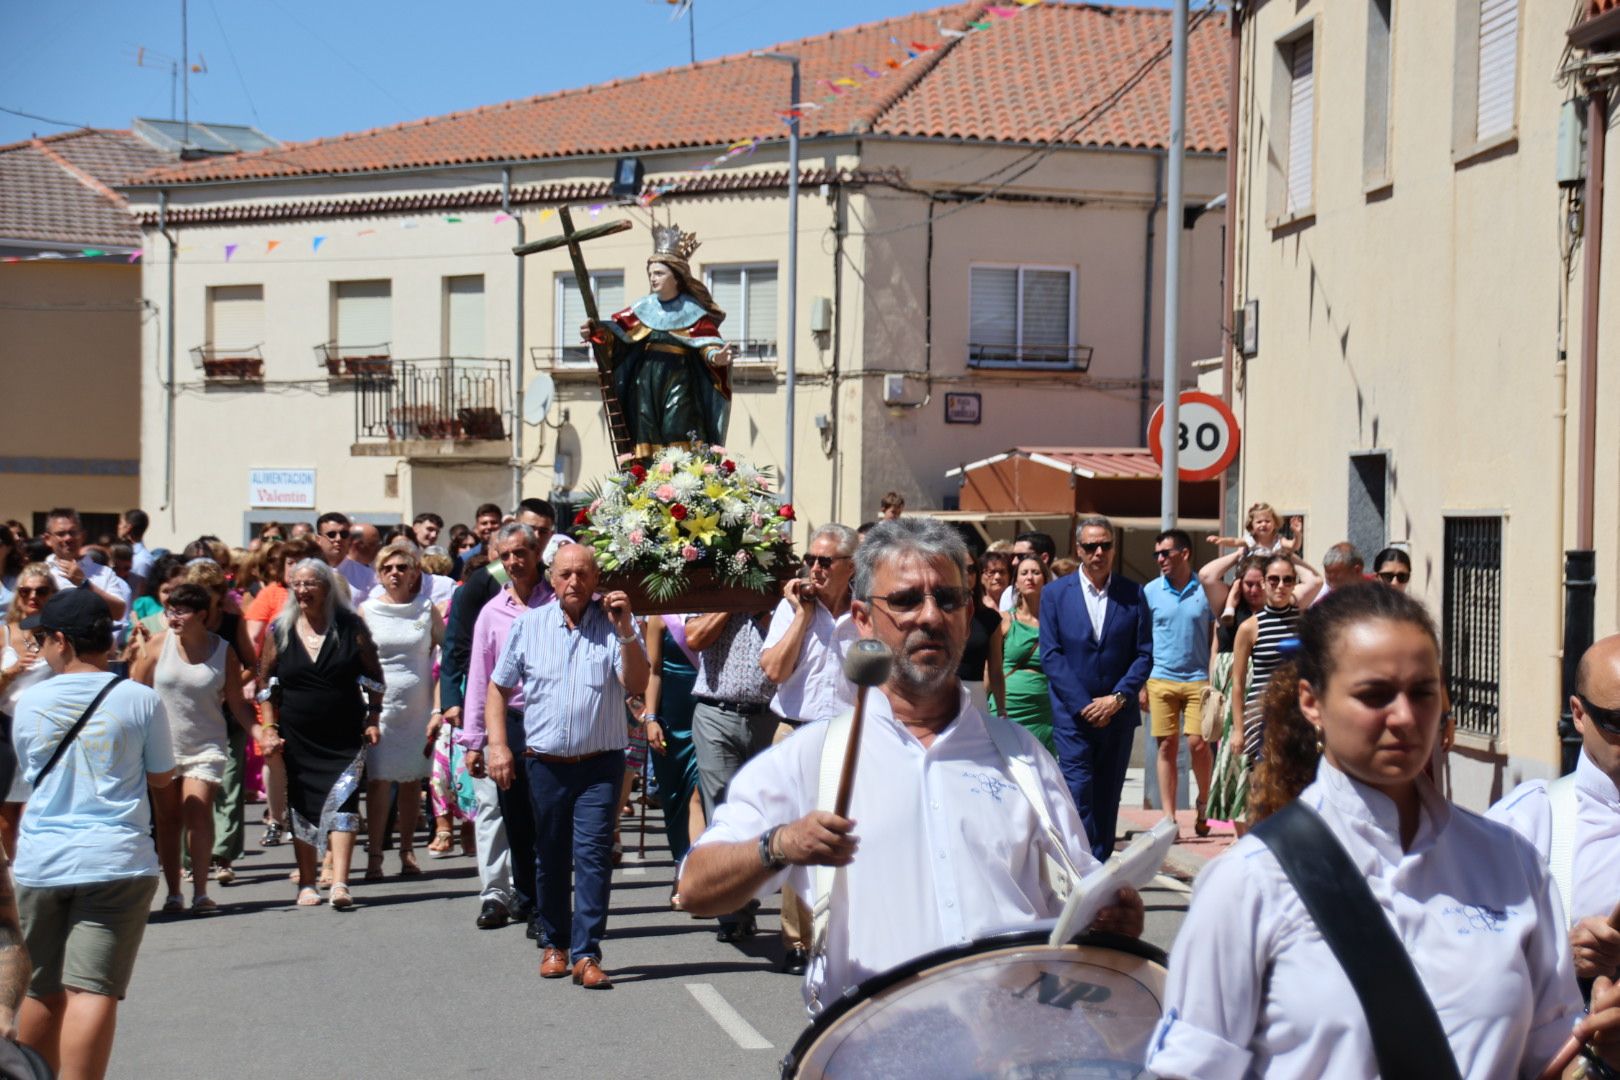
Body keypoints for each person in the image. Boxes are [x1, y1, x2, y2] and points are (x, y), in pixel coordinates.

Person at [1144, 585, 1618, 1079]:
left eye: (1422, 692)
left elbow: (1550, 1059)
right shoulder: (1248, 884)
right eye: (1374, 695)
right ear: (1312, 701)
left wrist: (1599, 1054)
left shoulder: (1511, 864)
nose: (1405, 717)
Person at [679, 517, 1144, 1013]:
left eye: (948, 600)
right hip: (870, 1049)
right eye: (904, 601)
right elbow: (695, 886)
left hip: (1013, 1049)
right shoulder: (813, 757)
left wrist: (1110, 917)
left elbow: (1081, 890)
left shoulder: (1022, 755)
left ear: (968, 615)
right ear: (862, 618)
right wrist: (781, 845)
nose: (930, 617)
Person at [12, 588, 175, 1080]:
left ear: (62, 640)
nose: (40, 647)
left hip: (43, 858)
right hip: (116, 857)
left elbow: (29, 772)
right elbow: (162, 776)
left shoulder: (29, 701)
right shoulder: (140, 698)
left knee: (41, 988)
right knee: (93, 988)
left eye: (42, 638)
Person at [484, 545, 649, 989]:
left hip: (600, 765)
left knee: (593, 857)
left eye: (582, 574)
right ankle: (555, 943)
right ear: (551, 579)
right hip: (545, 765)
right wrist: (497, 745)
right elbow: (498, 689)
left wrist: (628, 631)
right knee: (550, 855)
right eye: (564, 574)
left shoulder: (616, 627)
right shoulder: (529, 625)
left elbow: (636, 684)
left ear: (597, 579)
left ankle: (587, 953)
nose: (573, 582)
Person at [129, 583, 268, 914]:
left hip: (206, 744)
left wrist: (260, 733)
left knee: (196, 811)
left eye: (181, 611)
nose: (173, 618)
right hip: (162, 745)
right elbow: (133, 694)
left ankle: (201, 892)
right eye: (170, 611)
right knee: (167, 819)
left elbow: (236, 703)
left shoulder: (223, 652)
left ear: (202, 615)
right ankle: (175, 892)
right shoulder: (156, 646)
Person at [1489, 633, 1620, 985]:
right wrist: (1558, 955)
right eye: (1617, 722)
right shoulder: (1527, 822)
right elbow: (1464, 959)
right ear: (1579, 715)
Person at [759, 522, 860, 974]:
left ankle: (838, 935)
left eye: (825, 561)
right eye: (811, 560)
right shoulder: (793, 608)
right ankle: (797, 940)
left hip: (848, 737)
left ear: (850, 566)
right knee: (798, 841)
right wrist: (801, 615)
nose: (815, 568)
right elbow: (774, 670)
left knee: (845, 838)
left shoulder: (866, 611)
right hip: (795, 733)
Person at [256, 559, 385, 910]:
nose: (302, 590)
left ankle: (341, 883)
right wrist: (269, 728)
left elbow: (374, 677)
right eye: (296, 584)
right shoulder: (279, 631)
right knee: (303, 804)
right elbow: (265, 684)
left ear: (326, 587)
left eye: (310, 583)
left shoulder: (350, 627)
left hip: (344, 732)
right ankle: (308, 882)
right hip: (298, 735)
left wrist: (373, 717)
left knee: (344, 803)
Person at [1039, 515, 1153, 862]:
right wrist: (1084, 705)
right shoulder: (1055, 594)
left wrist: (1117, 699)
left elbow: (1144, 654)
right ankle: (1080, 866)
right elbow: (1052, 654)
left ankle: (1099, 867)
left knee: (1108, 796)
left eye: (1105, 545)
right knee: (1078, 793)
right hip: (1074, 718)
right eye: (1091, 546)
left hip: (1117, 716)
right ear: (1079, 550)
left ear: (1114, 549)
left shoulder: (1133, 594)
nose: (1098, 552)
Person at [460, 523, 555, 932]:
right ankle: (530, 903)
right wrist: (475, 740)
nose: (514, 562)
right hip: (512, 723)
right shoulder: (492, 612)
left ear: (537, 554)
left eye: (521, 553)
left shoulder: (559, 601)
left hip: (554, 722)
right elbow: (479, 679)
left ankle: (549, 902)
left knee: (550, 819)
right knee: (516, 820)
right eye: (506, 556)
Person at [581, 223, 736, 455]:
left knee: (678, 425)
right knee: (647, 431)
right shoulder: (643, 307)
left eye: (659, 273)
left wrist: (717, 357)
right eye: (651, 274)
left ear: (677, 277)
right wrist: (596, 333)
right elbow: (617, 335)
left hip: (679, 378)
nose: (653, 279)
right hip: (645, 381)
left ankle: (681, 479)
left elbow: (706, 345)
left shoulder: (692, 310)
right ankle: (648, 480)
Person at [685, 606, 777, 942]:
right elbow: (694, 637)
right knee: (723, 808)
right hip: (716, 713)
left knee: (763, 812)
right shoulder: (713, 589)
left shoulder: (779, 596)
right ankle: (732, 910)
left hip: (769, 715)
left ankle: (747, 893)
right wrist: (733, 600)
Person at [358, 543, 441, 881]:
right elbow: (358, 659)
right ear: (379, 574)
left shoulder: (426, 608)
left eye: (402, 568)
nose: (395, 573)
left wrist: (438, 706)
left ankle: (408, 851)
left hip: (418, 707)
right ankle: (375, 855)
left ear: (413, 574)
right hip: (380, 707)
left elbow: (445, 654)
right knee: (378, 782)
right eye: (388, 568)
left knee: (411, 781)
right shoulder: (367, 611)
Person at [1143, 529, 1217, 838]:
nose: (1160, 559)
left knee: (1198, 744)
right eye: (1157, 554)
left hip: (1198, 679)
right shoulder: (1150, 591)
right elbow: (1142, 639)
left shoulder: (1206, 589)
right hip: (1160, 678)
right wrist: (1141, 683)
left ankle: (1203, 801)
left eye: (1166, 553)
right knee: (1167, 747)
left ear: (1184, 554)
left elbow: (1216, 634)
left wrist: (1213, 677)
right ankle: (1169, 818)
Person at [1232, 554, 1323, 778]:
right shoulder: (1249, 628)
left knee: (1299, 782)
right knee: (1263, 784)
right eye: (1273, 579)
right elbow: (1238, 682)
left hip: (1298, 713)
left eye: (1288, 580)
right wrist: (1238, 729)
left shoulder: (1305, 622)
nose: (1280, 586)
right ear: (1263, 582)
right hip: (1261, 714)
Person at [1203, 554, 1268, 825]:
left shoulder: (1278, 609)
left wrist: (1283, 554)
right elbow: (1207, 575)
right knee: (1232, 759)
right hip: (1230, 694)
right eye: (1247, 583)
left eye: (1258, 584)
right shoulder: (1227, 604)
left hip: (1263, 694)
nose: (1253, 590)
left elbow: (1313, 581)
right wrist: (1240, 554)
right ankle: (1238, 830)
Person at [0, 567, 58, 855]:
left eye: (41, 591)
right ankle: (12, 875)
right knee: (7, 813)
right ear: (18, 596)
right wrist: (10, 672)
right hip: (6, 728)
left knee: (37, 806)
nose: (33, 596)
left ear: (52, 596)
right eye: (26, 591)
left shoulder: (59, 636)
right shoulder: (4, 635)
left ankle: (31, 870)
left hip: (45, 730)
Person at [642, 615, 702, 875]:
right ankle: (681, 860)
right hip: (672, 720)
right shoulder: (660, 618)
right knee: (675, 795)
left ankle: (697, 870)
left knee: (700, 794)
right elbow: (653, 672)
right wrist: (651, 718)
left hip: (708, 714)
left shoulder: (715, 612)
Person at [992, 555, 1053, 752]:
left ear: (1045, 579)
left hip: (1043, 713)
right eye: (1024, 573)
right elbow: (990, 669)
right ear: (1016, 582)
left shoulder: (1055, 623)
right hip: (1008, 709)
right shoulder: (1004, 620)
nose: (1030, 578)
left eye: (1036, 572)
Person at [38, 511, 128, 629]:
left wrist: (85, 584)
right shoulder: (39, 573)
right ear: (48, 539)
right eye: (61, 534)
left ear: (83, 536)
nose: (68, 538)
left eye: (72, 533)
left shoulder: (104, 573)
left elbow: (118, 613)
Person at [957, 555, 1005, 717]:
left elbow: (996, 670)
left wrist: (1001, 709)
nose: (967, 574)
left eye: (971, 569)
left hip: (975, 697)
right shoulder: (937, 613)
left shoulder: (990, 619)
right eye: (960, 568)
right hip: (939, 697)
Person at [999, 531, 1056, 612]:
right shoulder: (1010, 594)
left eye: (1021, 556)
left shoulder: (1066, 591)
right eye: (1012, 556)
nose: (1014, 562)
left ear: (1044, 558)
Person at [313, 512, 356, 606]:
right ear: (318, 540)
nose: (338, 539)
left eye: (344, 534)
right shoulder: (309, 572)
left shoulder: (367, 576)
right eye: (331, 534)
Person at [339, 523, 380, 599]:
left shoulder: (377, 571)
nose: (378, 549)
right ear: (358, 545)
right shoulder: (338, 569)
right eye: (373, 544)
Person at [116, 510, 154, 588]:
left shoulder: (142, 560)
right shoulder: (122, 552)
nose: (118, 526)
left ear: (128, 528)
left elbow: (138, 591)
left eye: (121, 523)